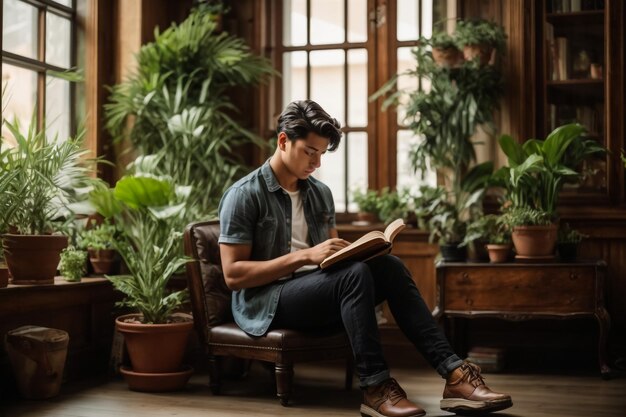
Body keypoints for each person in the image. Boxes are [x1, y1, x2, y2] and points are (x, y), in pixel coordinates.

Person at [218, 100, 513, 417]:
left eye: (321, 153)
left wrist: (352, 252)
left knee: (389, 267)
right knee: (354, 275)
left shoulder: (319, 193)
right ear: (283, 141)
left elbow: (330, 260)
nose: (316, 163)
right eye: (309, 151)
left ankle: (455, 375)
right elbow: (233, 275)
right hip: (267, 302)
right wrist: (305, 255)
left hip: (314, 291)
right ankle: (375, 387)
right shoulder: (244, 194)